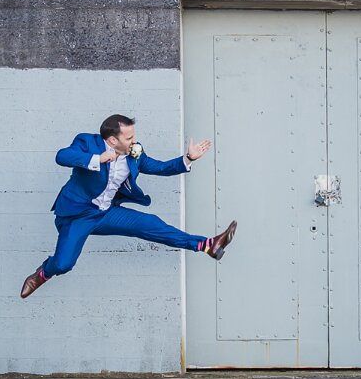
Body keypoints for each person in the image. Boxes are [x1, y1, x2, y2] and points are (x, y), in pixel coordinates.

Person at [20, 114, 237, 299]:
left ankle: (207, 245)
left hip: (106, 213)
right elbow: (62, 156)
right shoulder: (88, 143)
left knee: (150, 224)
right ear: (113, 140)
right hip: (78, 215)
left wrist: (188, 158)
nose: (135, 140)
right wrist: (97, 159)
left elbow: (159, 167)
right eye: (129, 137)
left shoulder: (135, 154)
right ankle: (42, 274)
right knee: (63, 264)